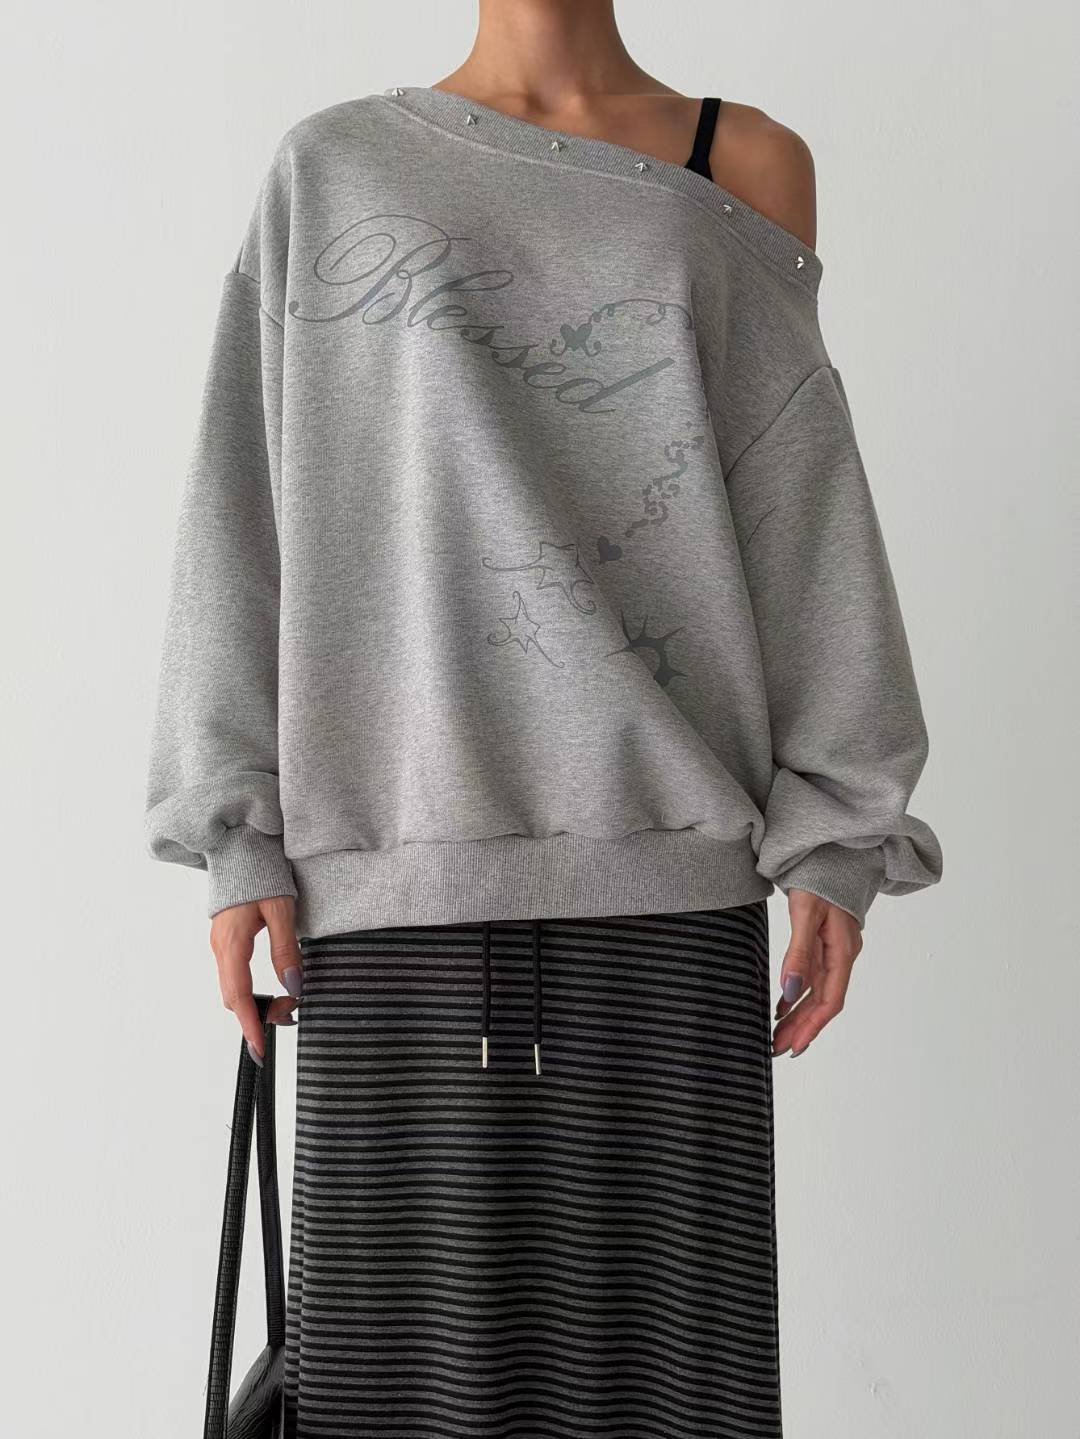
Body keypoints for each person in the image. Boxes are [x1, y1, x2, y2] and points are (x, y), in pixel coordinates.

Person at [144, 2, 942, 1433]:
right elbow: (240, 503)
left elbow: (802, 498)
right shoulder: (332, 168)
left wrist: (840, 828)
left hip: (670, 900)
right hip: (386, 901)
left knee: (668, 1398)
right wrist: (234, 829)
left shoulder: (742, 161)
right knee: (396, 1396)